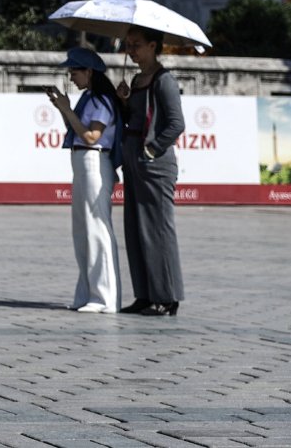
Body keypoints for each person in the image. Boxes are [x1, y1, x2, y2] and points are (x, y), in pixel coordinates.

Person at [45, 47, 121, 314]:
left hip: (94, 159)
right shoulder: (89, 97)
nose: (71, 76)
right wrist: (64, 108)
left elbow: (91, 136)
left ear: (89, 72)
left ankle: (104, 298)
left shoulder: (101, 100)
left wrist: (67, 109)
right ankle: (87, 293)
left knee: (96, 227)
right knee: (82, 229)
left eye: (75, 71)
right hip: (82, 160)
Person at [116, 25, 186, 317]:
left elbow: (176, 124)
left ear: (153, 46)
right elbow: (131, 118)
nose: (130, 51)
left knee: (158, 231)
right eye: (128, 45)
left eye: (136, 45)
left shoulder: (163, 80)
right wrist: (123, 101)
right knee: (135, 229)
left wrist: (151, 150)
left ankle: (166, 297)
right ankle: (144, 295)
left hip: (154, 164)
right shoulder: (136, 79)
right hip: (133, 160)